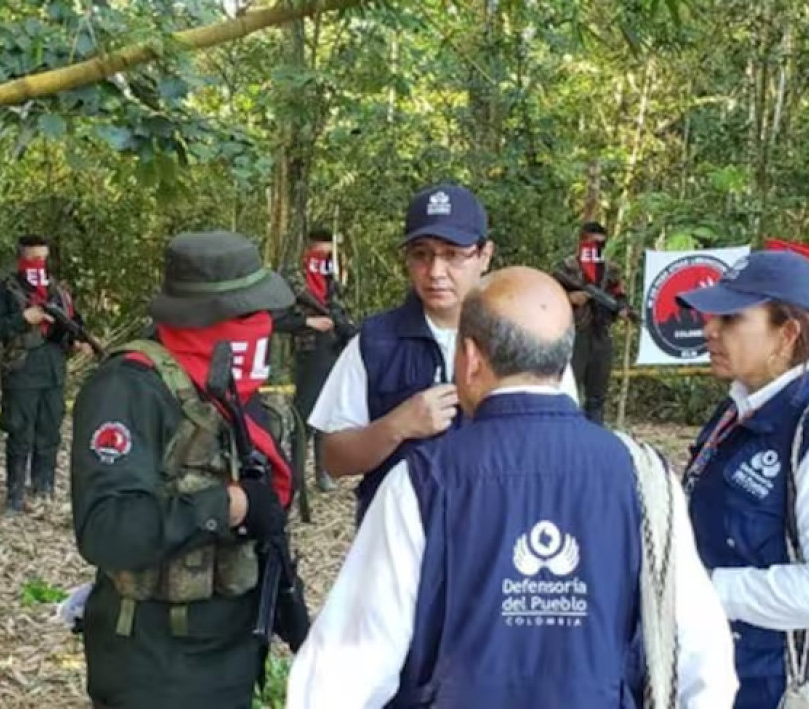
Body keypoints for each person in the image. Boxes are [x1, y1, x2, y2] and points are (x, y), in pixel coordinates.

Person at [288, 266, 738, 708]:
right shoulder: (645, 476)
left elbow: (342, 669)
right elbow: (702, 656)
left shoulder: (421, 482)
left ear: (471, 357)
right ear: (563, 358)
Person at [70, 231, 300, 708]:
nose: (259, 324)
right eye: (245, 313)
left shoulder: (231, 387)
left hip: (231, 654)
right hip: (156, 666)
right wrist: (229, 505)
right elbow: (106, 530)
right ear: (210, 315)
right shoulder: (130, 388)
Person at [676, 250, 809, 709]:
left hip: (796, 689)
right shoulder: (740, 407)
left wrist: (704, 588)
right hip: (740, 674)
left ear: (787, 334)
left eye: (731, 318)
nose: (709, 328)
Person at [309, 183, 578, 526]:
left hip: (501, 538)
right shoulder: (375, 342)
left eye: (453, 254)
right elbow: (334, 458)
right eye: (421, 254)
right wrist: (396, 426)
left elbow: (565, 445)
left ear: (484, 255)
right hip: (399, 542)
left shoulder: (530, 336)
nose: (435, 272)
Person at [0, 234, 94, 512]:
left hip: (54, 371)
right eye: (33, 259)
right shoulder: (4, 289)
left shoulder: (58, 290)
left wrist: (80, 342)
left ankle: (44, 491)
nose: (39, 264)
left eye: (43, 258)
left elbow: (73, 322)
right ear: (21, 258)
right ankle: (15, 496)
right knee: (20, 432)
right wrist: (23, 319)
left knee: (49, 432)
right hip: (21, 371)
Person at [284, 226, 355, 493]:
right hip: (310, 344)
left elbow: (338, 301)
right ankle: (295, 477)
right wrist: (313, 319)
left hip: (334, 343)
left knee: (329, 410)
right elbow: (288, 308)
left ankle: (322, 472)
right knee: (305, 413)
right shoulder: (295, 271)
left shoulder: (334, 268)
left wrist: (343, 324)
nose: (324, 253)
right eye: (321, 247)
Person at [554, 221, 633, 425]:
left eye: (601, 244)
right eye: (592, 243)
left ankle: (594, 438)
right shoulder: (567, 267)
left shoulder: (610, 270)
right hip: (575, 334)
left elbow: (619, 294)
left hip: (601, 334)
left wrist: (622, 308)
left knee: (597, 397)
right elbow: (550, 295)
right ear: (582, 241)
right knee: (569, 391)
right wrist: (571, 298)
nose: (597, 248)